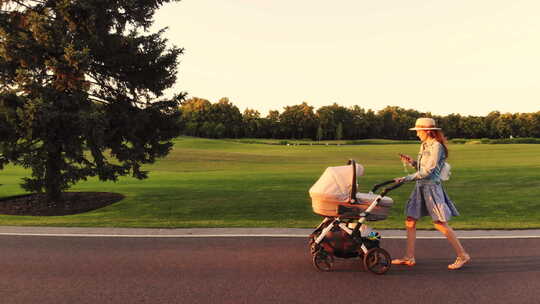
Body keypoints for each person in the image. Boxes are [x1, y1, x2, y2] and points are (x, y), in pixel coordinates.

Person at [392, 117, 471, 270]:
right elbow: (423, 169)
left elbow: (429, 171)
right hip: (420, 187)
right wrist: (413, 162)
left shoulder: (437, 147)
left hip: (431, 189)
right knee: (410, 220)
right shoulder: (424, 145)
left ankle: (463, 255)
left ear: (428, 130)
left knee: (440, 223)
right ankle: (409, 257)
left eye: (418, 131)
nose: (416, 134)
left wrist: (405, 178)